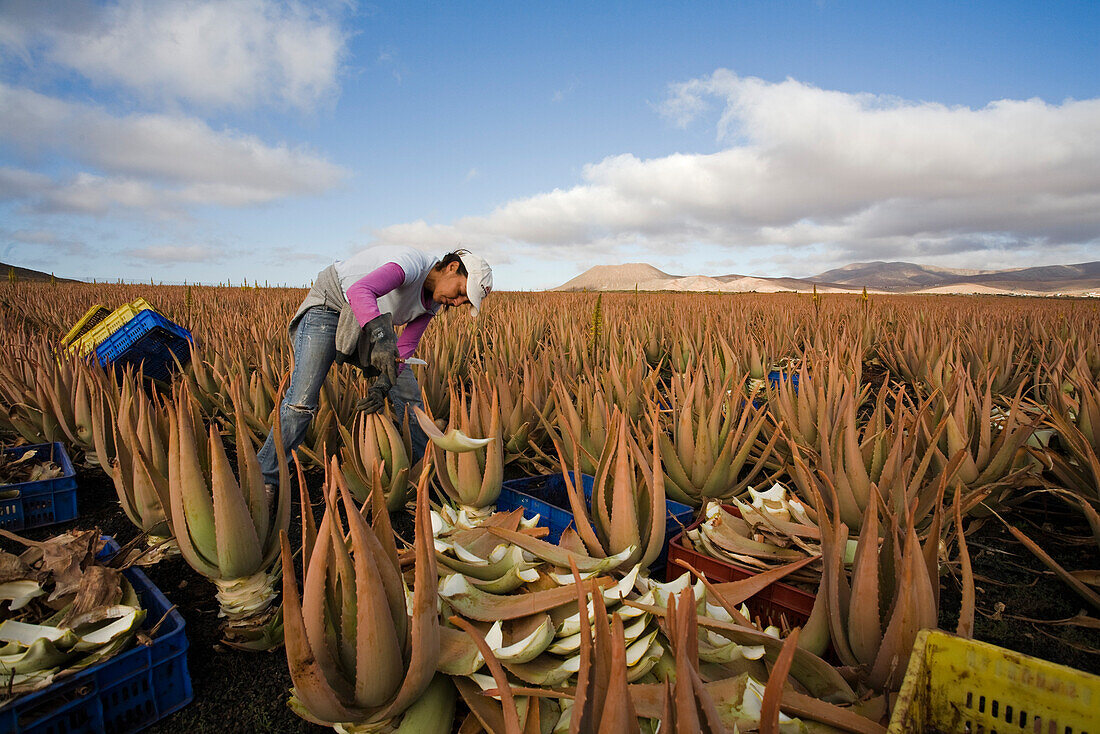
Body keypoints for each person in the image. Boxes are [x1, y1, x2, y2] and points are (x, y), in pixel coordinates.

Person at [257, 245, 493, 490]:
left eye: (464, 302)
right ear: (452, 267)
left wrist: (383, 386)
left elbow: (405, 348)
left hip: (369, 317)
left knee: (409, 397)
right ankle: (266, 479)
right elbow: (360, 291)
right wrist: (381, 337)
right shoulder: (409, 265)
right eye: (461, 292)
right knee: (302, 401)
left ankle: (425, 475)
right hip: (332, 304)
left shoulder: (433, 303)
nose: (457, 302)